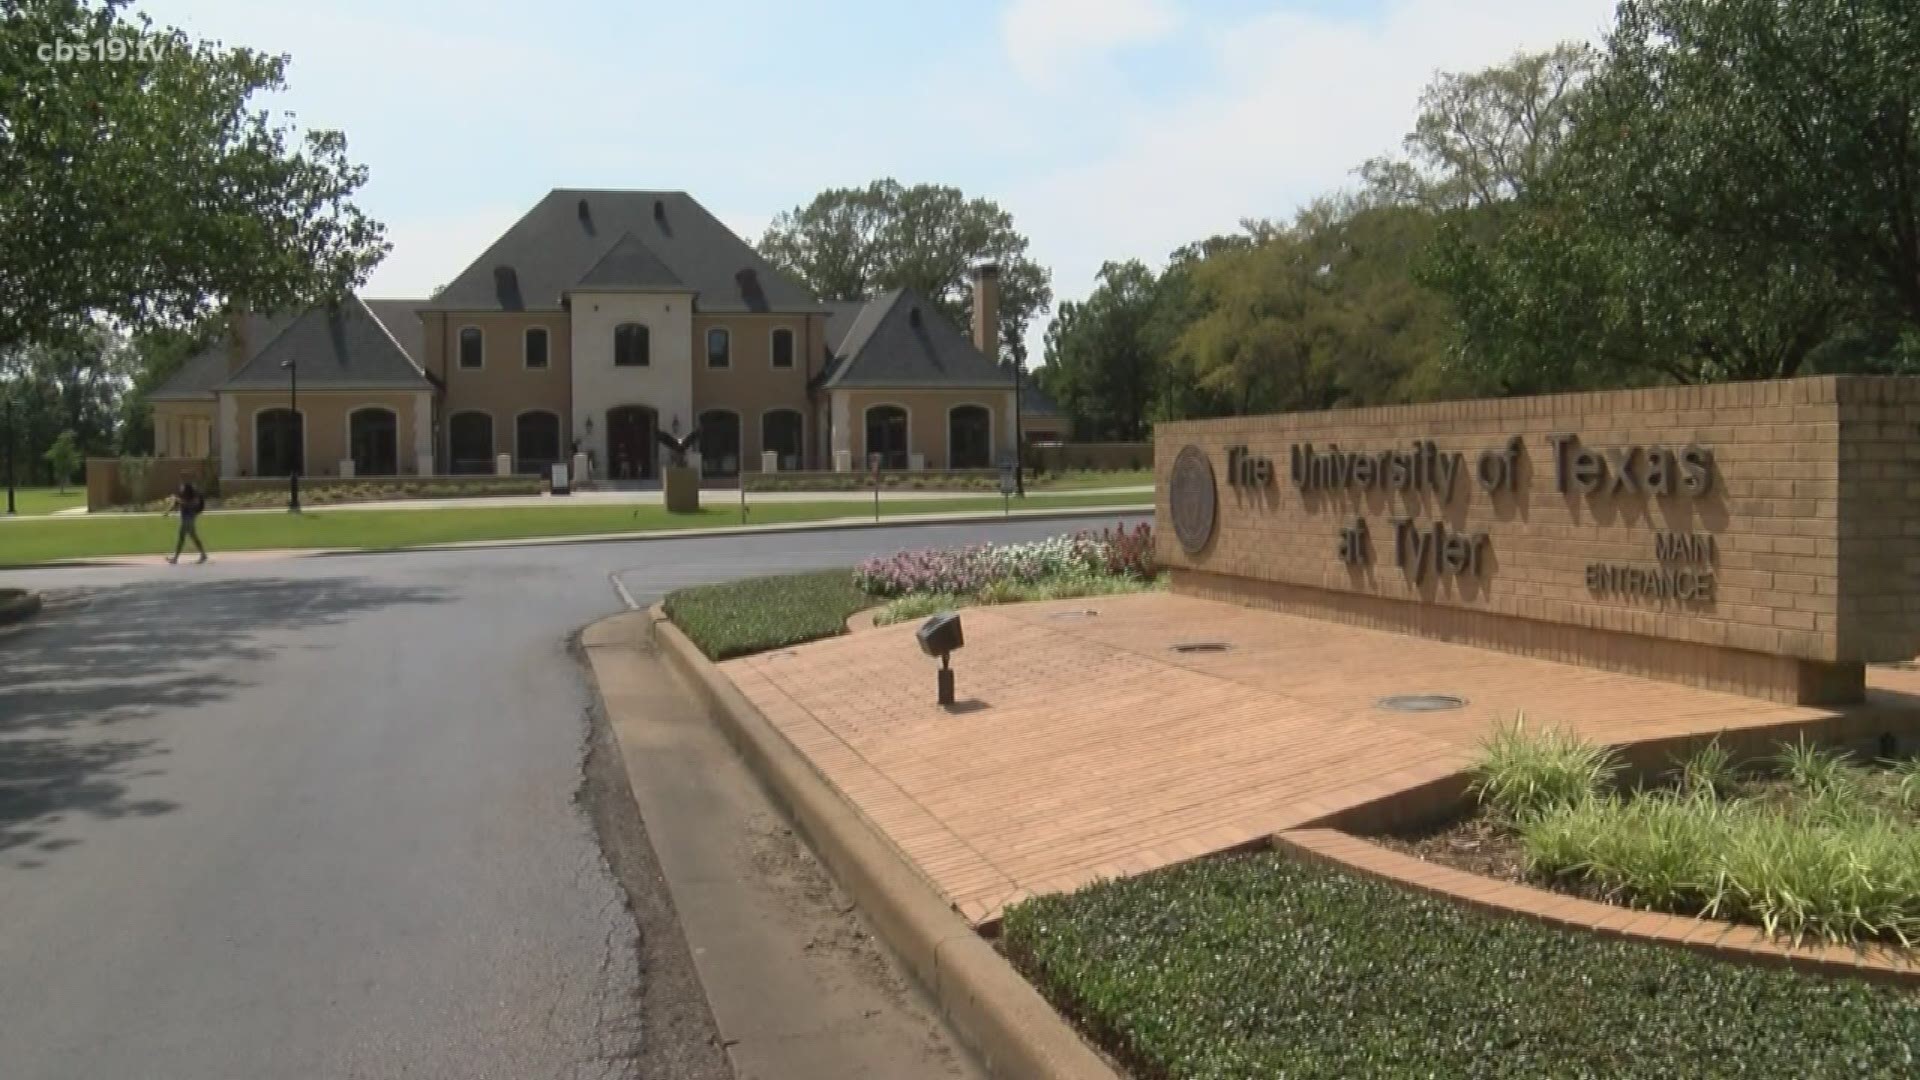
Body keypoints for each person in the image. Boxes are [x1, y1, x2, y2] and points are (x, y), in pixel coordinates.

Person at [164, 480, 209, 564]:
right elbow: (176, 503)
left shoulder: (193, 497)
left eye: (182, 487)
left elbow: (190, 504)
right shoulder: (183, 496)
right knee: (193, 537)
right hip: (187, 519)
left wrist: (178, 500)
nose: (181, 488)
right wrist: (168, 511)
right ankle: (203, 555)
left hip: (188, 519)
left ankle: (175, 558)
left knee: (181, 538)